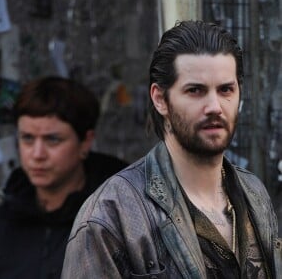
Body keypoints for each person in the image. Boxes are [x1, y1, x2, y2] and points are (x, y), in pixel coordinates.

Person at [61, 20, 282, 278]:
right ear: (160, 99)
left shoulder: (253, 193)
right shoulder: (111, 215)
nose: (214, 106)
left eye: (225, 90)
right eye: (195, 90)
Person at [0, 76, 127, 279]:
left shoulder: (123, 224)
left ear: (85, 142)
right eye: (27, 139)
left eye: (53, 139)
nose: (37, 154)